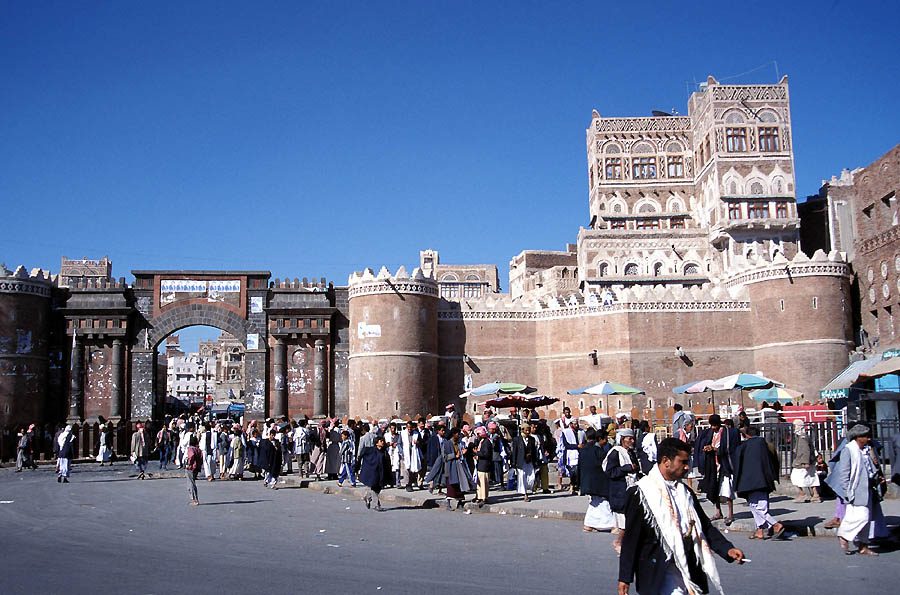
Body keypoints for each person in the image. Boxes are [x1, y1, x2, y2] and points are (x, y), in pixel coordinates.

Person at [617, 438, 745, 595]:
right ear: (666, 461)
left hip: (687, 569)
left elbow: (704, 527)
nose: (687, 467)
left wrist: (728, 549)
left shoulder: (686, 493)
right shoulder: (641, 493)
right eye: (682, 462)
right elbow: (632, 539)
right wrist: (625, 578)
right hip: (658, 571)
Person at [830, 424, 882, 556]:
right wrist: (847, 491)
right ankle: (844, 535)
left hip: (868, 488)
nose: (868, 439)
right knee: (862, 517)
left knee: (865, 519)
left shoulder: (865, 450)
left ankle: (863, 546)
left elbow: (871, 468)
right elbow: (844, 473)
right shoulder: (849, 450)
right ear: (857, 437)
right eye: (865, 436)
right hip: (856, 489)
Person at [733, 426, 785, 540]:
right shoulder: (767, 446)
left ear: (747, 435)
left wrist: (736, 483)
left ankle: (775, 524)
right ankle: (760, 530)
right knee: (759, 506)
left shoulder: (744, 447)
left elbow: (737, 464)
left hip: (749, 482)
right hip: (765, 480)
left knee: (756, 506)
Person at [694, 415, 737, 524]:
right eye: (712, 425)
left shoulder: (727, 433)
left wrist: (715, 449)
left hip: (724, 465)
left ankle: (730, 514)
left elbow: (729, 448)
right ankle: (718, 512)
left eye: (715, 425)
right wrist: (707, 448)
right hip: (712, 465)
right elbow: (705, 444)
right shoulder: (709, 433)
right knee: (714, 488)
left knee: (727, 489)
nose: (713, 428)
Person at [605, 428, 641, 553]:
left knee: (631, 520)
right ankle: (618, 542)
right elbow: (610, 472)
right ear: (622, 439)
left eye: (632, 439)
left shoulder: (631, 452)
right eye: (629, 439)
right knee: (624, 523)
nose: (631, 441)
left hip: (632, 489)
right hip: (620, 491)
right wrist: (626, 468)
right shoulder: (615, 452)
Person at [580, 428, 615, 532]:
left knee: (594, 504)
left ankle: (589, 524)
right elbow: (604, 467)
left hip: (587, 482)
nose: (607, 441)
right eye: (605, 439)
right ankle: (609, 525)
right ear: (600, 439)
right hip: (598, 483)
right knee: (603, 504)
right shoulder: (598, 451)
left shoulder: (584, 450)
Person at [790, 419, 821, 503]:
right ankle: (815, 495)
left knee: (795, 477)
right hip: (808, 461)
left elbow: (805, 450)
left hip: (802, 462)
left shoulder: (802, 437)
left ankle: (802, 494)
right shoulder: (802, 436)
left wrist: (805, 462)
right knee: (811, 477)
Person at [510, 421, 539, 502]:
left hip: (529, 461)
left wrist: (535, 461)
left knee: (531, 476)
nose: (528, 432)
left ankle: (529, 488)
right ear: (522, 430)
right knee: (522, 477)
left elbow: (534, 451)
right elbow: (514, 452)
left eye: (529, 430)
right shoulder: (517, 439)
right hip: (520, 462)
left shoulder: (532, 439)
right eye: (526, 430)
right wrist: (513, 463)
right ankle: (525, 494)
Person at [359, 435, 389, 511]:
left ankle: (367, 497)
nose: (382, 442)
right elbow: (362, 456)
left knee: (378, 488)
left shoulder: (384, 451)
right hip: (373, 472)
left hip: (381, 472)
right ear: (376, 443)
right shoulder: (371, 451)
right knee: (374, 488)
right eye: (381, 441)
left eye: (383, 441)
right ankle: (377, 505)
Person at [558, 417, 585, 493]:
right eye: (574, 424)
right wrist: (576, 446)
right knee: (572, 472)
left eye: (577, 423)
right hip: (570, 454)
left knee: (578, 471)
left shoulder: (581, 432)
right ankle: (572, 485)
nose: (576, 425)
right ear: (571, 424)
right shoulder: (566, 432)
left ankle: (578, 486)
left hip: (580, 453)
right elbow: (566, 445)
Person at [474, 425, 493, 507]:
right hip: (480, 464)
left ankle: (484, 498)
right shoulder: (481, 442)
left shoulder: (487, 442)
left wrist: (477, 453)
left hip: (484, 465)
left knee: (484, 482)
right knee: (479, 482)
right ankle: (479, 496)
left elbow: (486, 454)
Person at [399, 420, 421, 491]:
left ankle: (411, 483)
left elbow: (421, 442)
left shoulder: (416, 434)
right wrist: (401, 452)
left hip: (414, 454)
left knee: (413, 470)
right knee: (406, 470)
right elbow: (399, 443)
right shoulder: (402, 433)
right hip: (405, 454)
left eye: (411, 428)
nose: (409, 429)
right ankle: (407, 484)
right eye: (408, 428)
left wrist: (417, 442)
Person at [184, 435, 202, 505]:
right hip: (196, 468)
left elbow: (191, 456)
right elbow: (201, 458)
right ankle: (195, 499)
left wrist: (189, 463)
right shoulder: (198, 449)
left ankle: (194, 499)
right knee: (193, 482)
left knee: (190, 483)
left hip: (191, 467)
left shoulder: (190, 449)